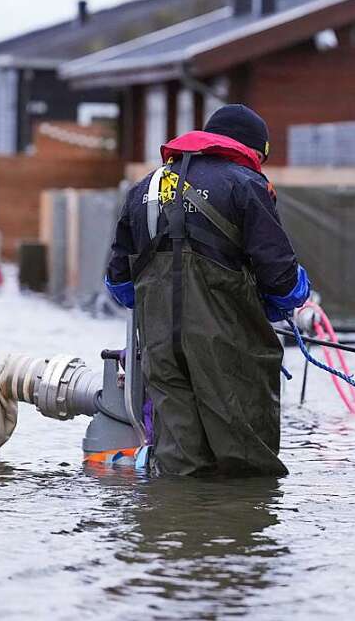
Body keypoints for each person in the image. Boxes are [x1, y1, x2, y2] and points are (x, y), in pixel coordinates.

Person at [104, 104, 310, 477]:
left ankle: (179, 528)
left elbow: (118, 283)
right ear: (251, 149)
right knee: (246, 464)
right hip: (227, 347)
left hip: (161, 349)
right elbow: (282, 281)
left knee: (180, 462)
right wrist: (292, 297)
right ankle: (236, 530)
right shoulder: (247, 185)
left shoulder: (143, 188)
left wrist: (163, 304)